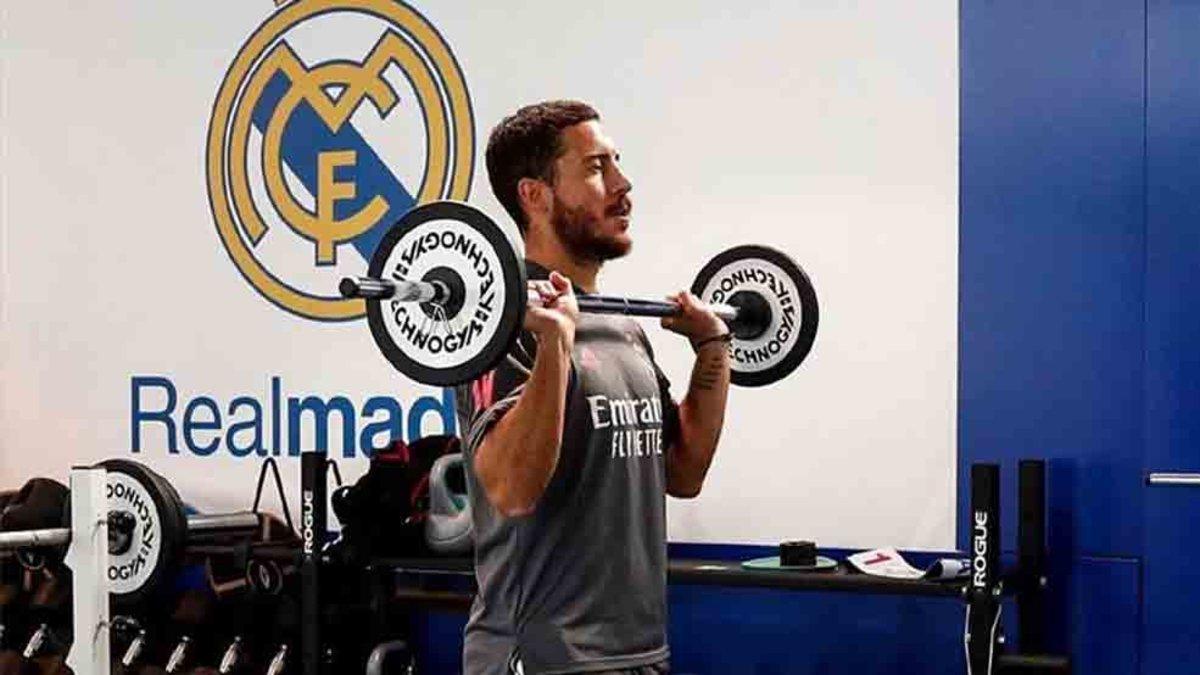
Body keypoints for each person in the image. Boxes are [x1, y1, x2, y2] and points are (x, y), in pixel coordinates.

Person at [454, 100, 732, 675]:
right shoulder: (502, 325)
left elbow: (683, 473)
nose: (623, 185)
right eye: (596, 167)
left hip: (638, 653)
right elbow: (511, 490)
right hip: (539, 658)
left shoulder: (621, 326)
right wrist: (554, 345)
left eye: (617, 164)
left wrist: (714, 350)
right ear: (535, 195)